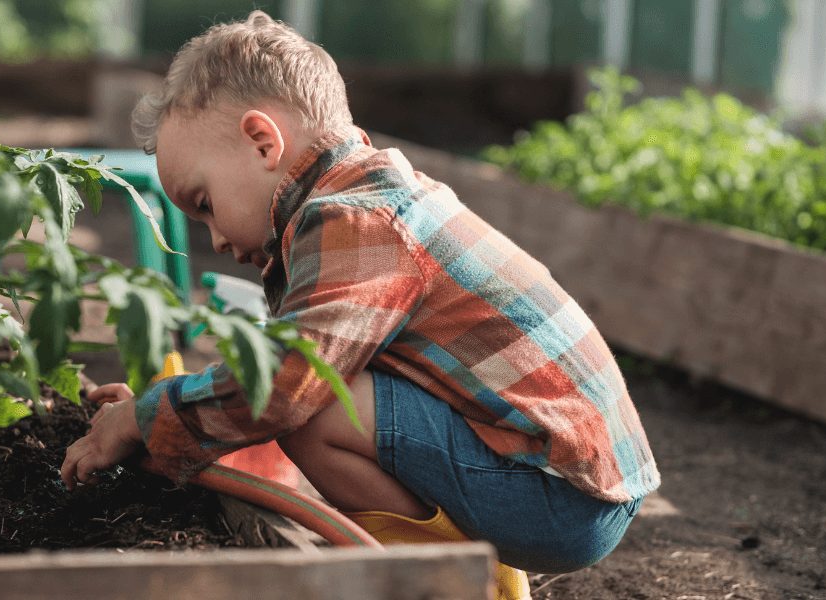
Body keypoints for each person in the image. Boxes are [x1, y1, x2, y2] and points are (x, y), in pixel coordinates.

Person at [61, 10, 659, 576]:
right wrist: (164, 406)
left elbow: (288, 383)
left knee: (315, 407)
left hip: (559, 496)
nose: (214, 237)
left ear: (263, 143)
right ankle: (453, 567)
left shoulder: (354, 220)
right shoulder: (372, 195)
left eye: (205, 204)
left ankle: (434, 578)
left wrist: (146, 418)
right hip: (573, 479)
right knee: (313, 387)